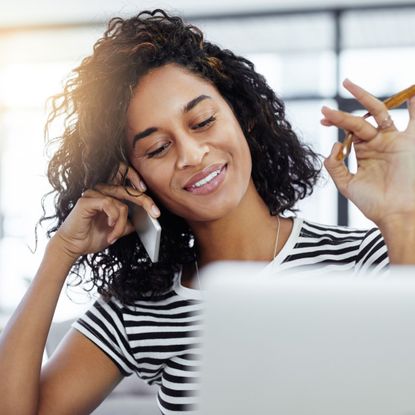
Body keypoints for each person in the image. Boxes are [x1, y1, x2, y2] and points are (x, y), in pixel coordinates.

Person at [0, 8, 414, 415]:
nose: (193, 155)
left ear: (243, 117)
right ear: (133, 178)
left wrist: (402, 218)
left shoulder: (369, 258)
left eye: (201, 122)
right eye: (158, 148)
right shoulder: (139, 308)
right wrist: (62, 251)